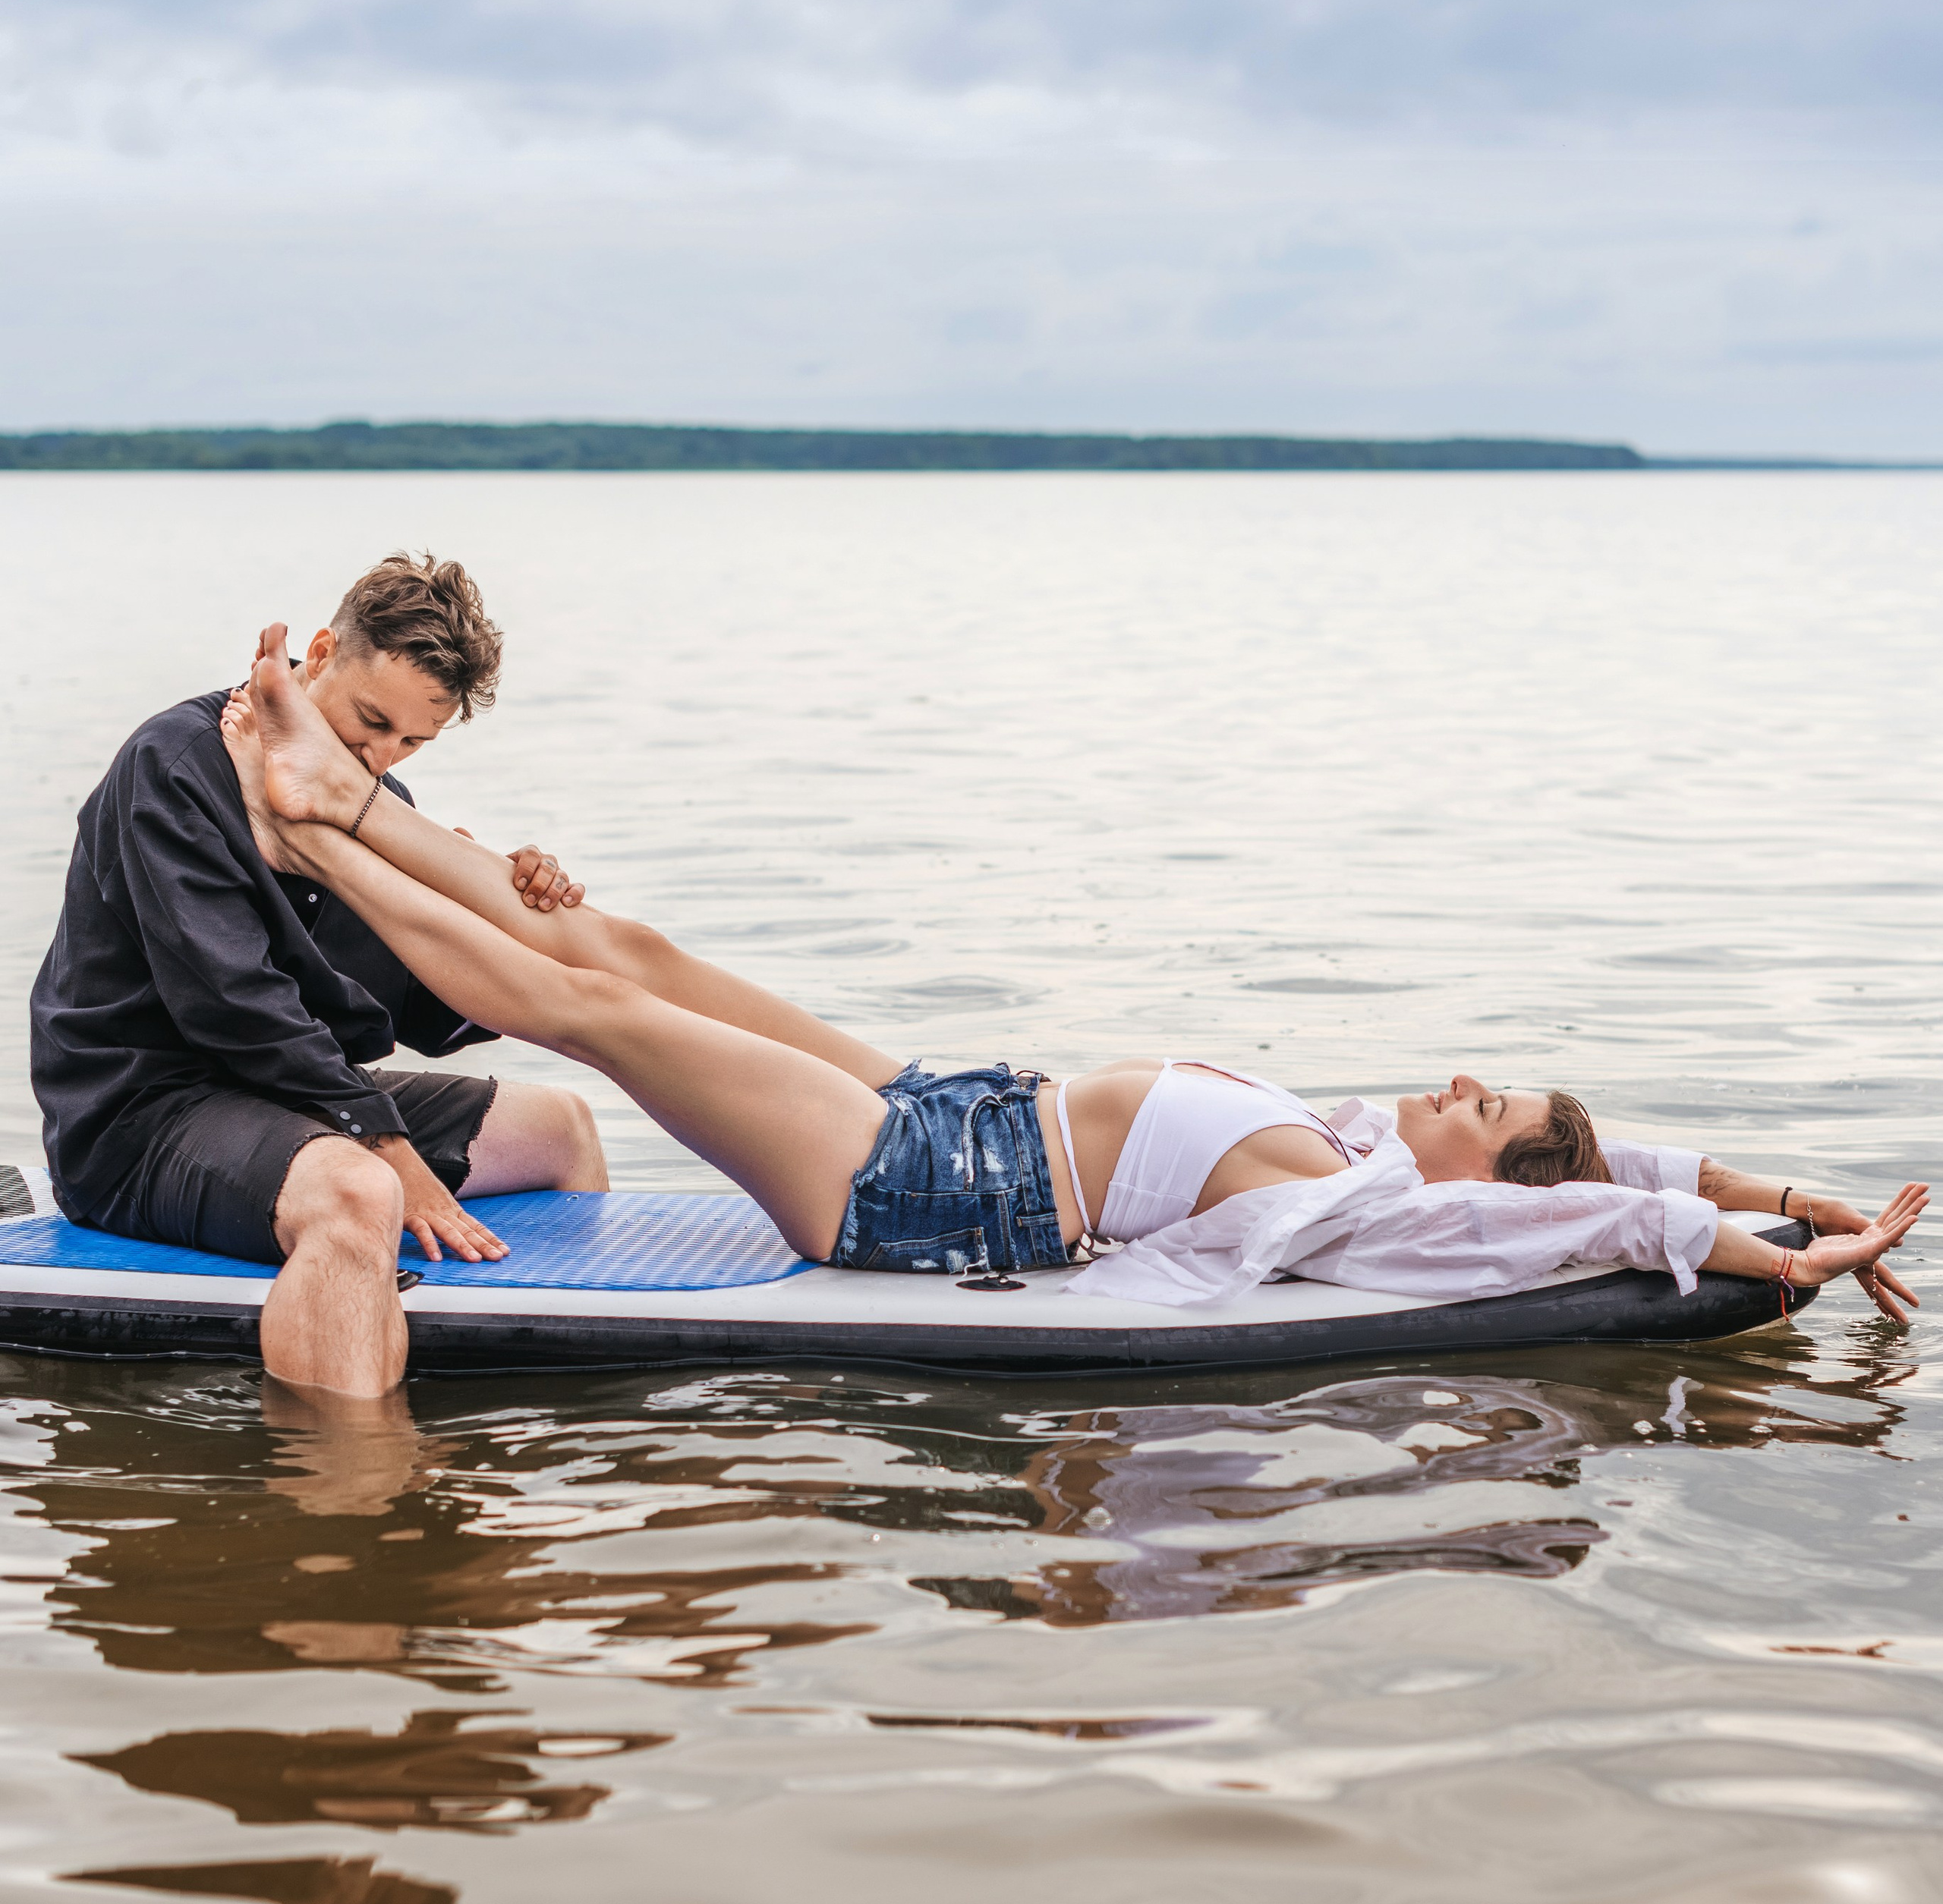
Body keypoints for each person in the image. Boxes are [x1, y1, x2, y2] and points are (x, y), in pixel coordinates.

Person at [216, 626, 1927, 1398]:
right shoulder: (1357, 1137)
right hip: (960, 1105)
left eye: (1471, 1109)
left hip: (926, 1188)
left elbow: (1566, 1215)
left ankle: (317, 810)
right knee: (628, 944)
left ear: (1472, 1176)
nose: (1450, 1085)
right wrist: (1772, 1188)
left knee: (577, 1004)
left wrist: (1749, 1262)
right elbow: (1605, 1156)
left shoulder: (1377, 1209)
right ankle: (355, 804)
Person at [30, 555, 609, 1396]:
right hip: (137, 1115)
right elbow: (234, 1002)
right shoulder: (175, 767)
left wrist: (500, 901)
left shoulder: (378, 801)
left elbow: (427, 1012)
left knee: (560, 1124)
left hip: (294, 1099)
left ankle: (563, 1393)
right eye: (370, 723)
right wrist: (382, 1139)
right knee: (360, 1189)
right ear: (324, 650)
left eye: (410, 742)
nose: (378, 759)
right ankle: (347, 1491)